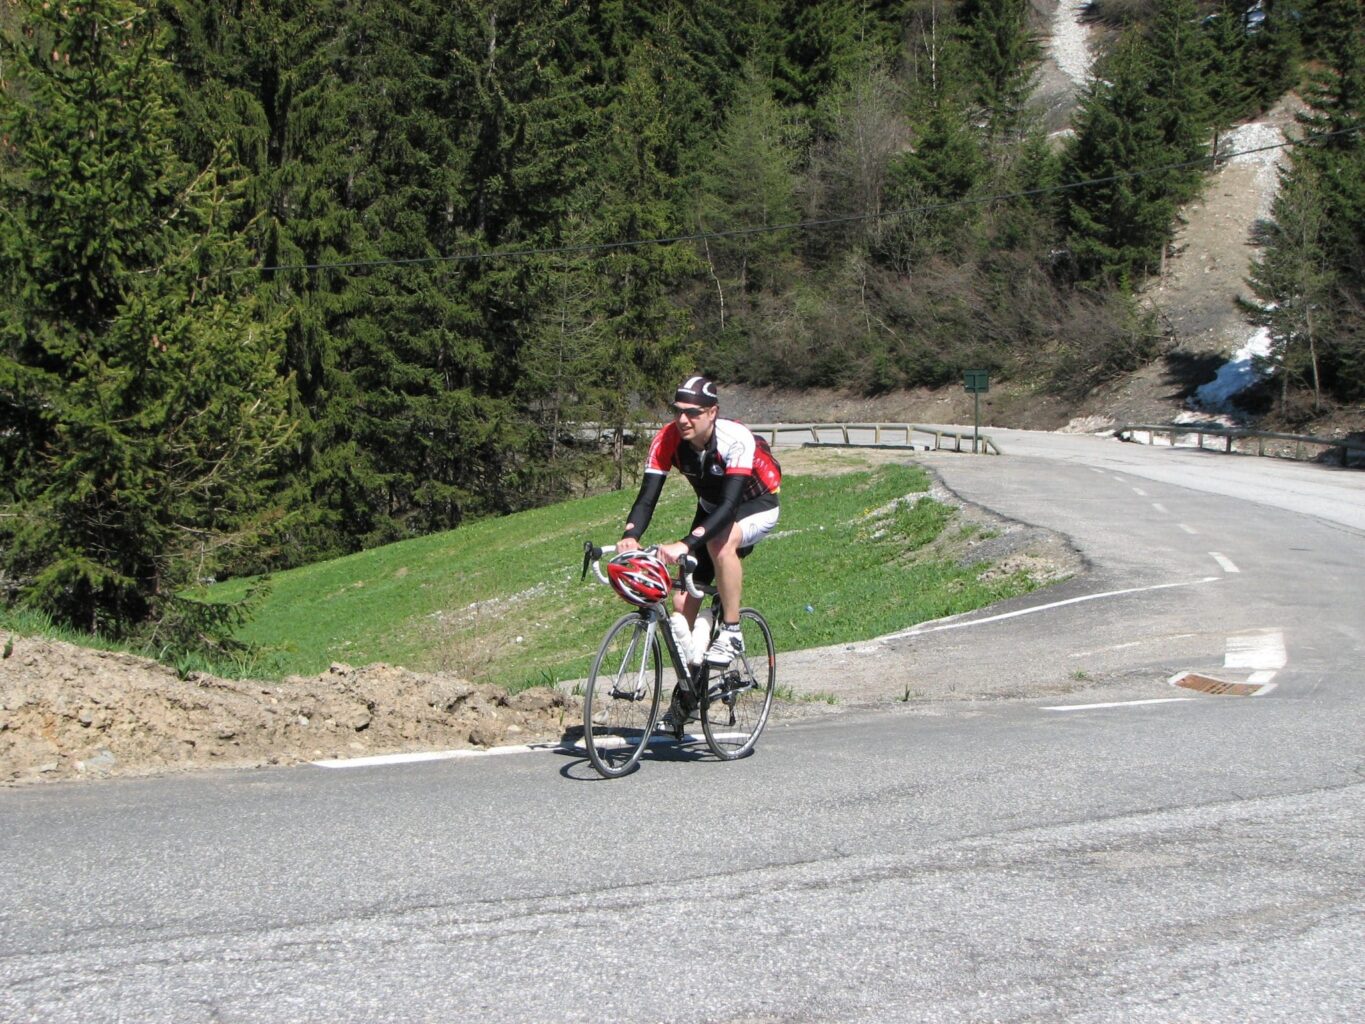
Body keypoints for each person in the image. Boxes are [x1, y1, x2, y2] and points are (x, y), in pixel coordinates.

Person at [616, 375, 781, 666]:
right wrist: (631, 534)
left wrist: (687, 543)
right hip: (710, 507)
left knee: (720, 542)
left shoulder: (735, 437)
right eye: (677, 410)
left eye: (693, 412)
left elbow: (730, 506)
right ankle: (688, 690)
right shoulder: (667, 439)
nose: (683, 419)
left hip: (755, 503)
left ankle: (732, 631)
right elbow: (646, 499)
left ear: (712, 413)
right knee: (682, 600)